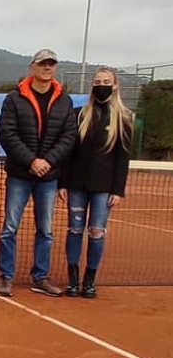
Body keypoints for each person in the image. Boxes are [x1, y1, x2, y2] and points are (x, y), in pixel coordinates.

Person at [0, 48, 77, 297]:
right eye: (43, 63)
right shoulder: (14, 98)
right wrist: (31, 161)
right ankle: (6, 277)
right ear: (32, 66)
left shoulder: (65, 100)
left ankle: (40, 276)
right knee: (10, 227)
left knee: (46, 230)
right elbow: (8, 134)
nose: (47, 67)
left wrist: (47, 162)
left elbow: (68, 136)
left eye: (52, 63)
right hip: (20, 174)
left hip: (49, 178)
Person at [58, 67, 132, 298]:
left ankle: (89, 281)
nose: (102, 84)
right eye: (98, 81)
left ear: (115, 85)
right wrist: (63, 183)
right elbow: (68, 153)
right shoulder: (79, 114)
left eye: (106, 81)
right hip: (77, 185)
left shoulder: (124, 118)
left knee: (97, 231)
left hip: (104, 188)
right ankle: (72, 280)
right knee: (75, 229)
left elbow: (123, 157)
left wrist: (117, 190)